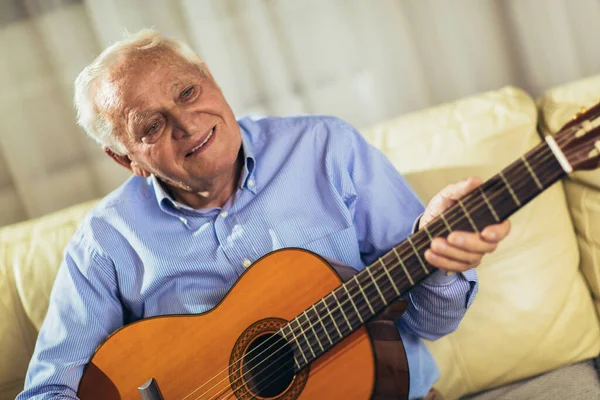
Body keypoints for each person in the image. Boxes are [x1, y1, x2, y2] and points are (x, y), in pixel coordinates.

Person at [17, 29, 510, 400]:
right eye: (151, 125)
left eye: (187, 92)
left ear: (210, 79)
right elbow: (48, 390)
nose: (187, 125)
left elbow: (428, 321)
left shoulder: (325, 147)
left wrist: (442, 258)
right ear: (127, 160)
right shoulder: (105, 242)